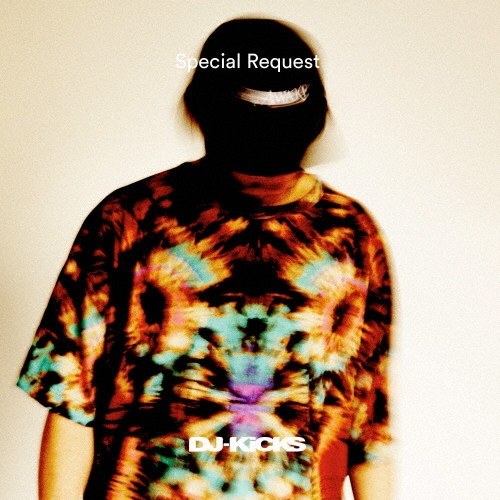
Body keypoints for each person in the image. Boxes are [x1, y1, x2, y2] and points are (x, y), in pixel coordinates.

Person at [18, 18, 392, 500]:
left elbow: (368, 424)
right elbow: (71, 401)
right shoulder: (128, 221)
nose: (262, 176)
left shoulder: (351, 235)